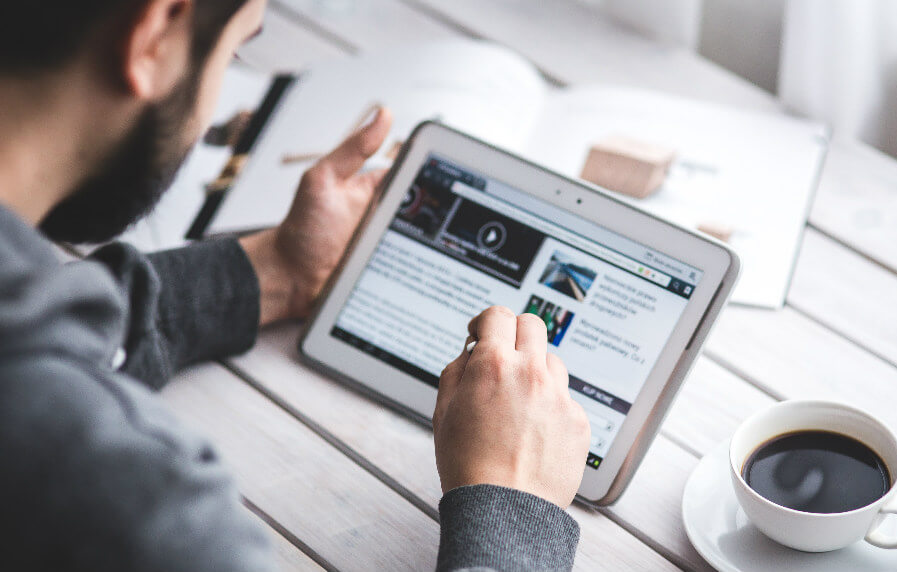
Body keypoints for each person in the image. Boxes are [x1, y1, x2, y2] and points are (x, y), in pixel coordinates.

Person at [0, 0, 591, 570]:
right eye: (233, 54)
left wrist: (275, 271)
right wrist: (513, 509)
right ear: (157, 30)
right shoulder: (138, 510)